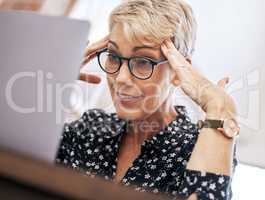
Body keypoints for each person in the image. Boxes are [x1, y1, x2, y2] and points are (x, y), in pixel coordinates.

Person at [56, 0, 239, 199]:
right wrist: (56, 75)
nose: (121, 78)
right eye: (114, 56)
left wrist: (220, 106)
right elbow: (19, 162)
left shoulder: (199, 147)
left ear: (179, 72)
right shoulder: (90, 128)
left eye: (143, 61)